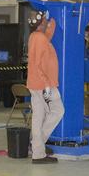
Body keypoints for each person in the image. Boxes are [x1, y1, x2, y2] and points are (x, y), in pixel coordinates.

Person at [26, 13, 63, 165]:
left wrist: (53, 22)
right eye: (44, 20)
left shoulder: (35, 36)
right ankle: (37, 145)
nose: (46, 20)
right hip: (44, 87)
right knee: (57, 111)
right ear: (40, 24)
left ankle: (37, 152)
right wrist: (47, 85)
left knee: (38, 117)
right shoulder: (40, 38)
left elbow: (47, 36)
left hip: (35, 85)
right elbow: (38, 65)